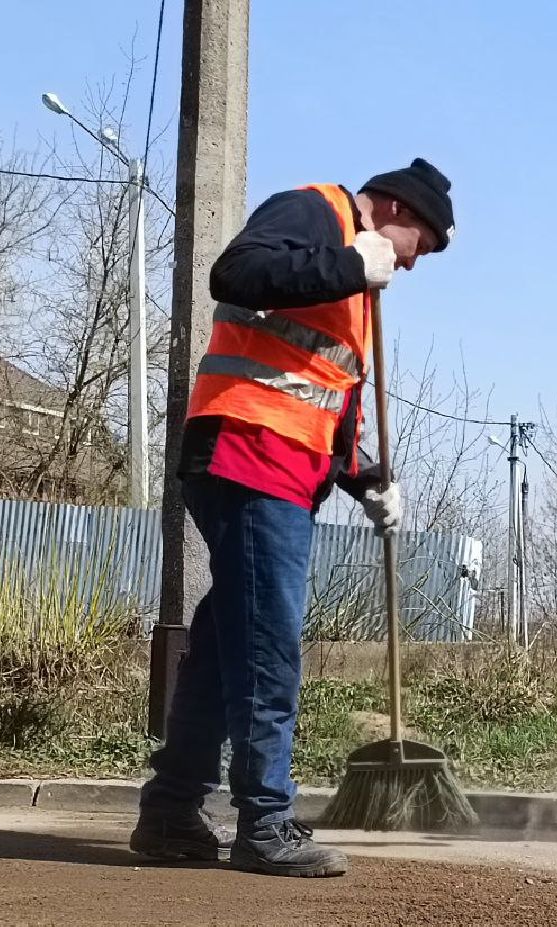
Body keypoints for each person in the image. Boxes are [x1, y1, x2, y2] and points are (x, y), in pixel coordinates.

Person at [129, 159, 455, 877]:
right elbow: (235, 273)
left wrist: (364, 477)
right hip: (247, 456)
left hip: (279, 468)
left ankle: (172, 812)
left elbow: (315, 390)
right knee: (270, 649)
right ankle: (265, 822)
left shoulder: (355, 283)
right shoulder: (316, 214)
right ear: (394, 209)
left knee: (224, 657)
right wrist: (347, 262)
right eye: (419, 245)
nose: (414, 264)